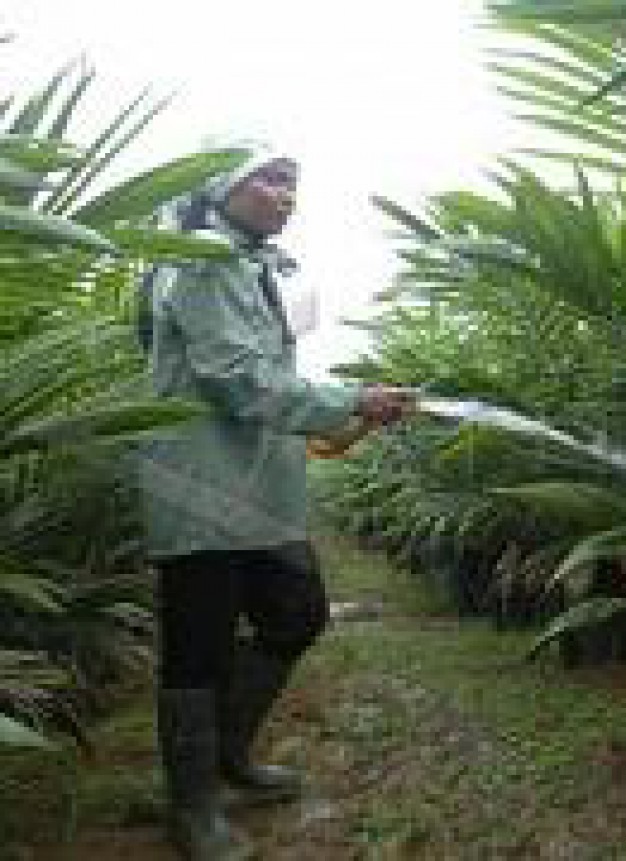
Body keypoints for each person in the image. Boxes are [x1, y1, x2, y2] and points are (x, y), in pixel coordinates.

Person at [136, 150, 411, 860]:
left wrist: (354, 413)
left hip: (258, 484)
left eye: (293, 182)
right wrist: (350, 399)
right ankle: (192, 806)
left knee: (297, 610)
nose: (285, 194)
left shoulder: (255, 266)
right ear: (219, 187)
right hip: (198, 483)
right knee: (199, 646)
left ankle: (227, 753)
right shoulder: (197, 259)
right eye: (267, 178)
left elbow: (267, 373)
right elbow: (233, 376)